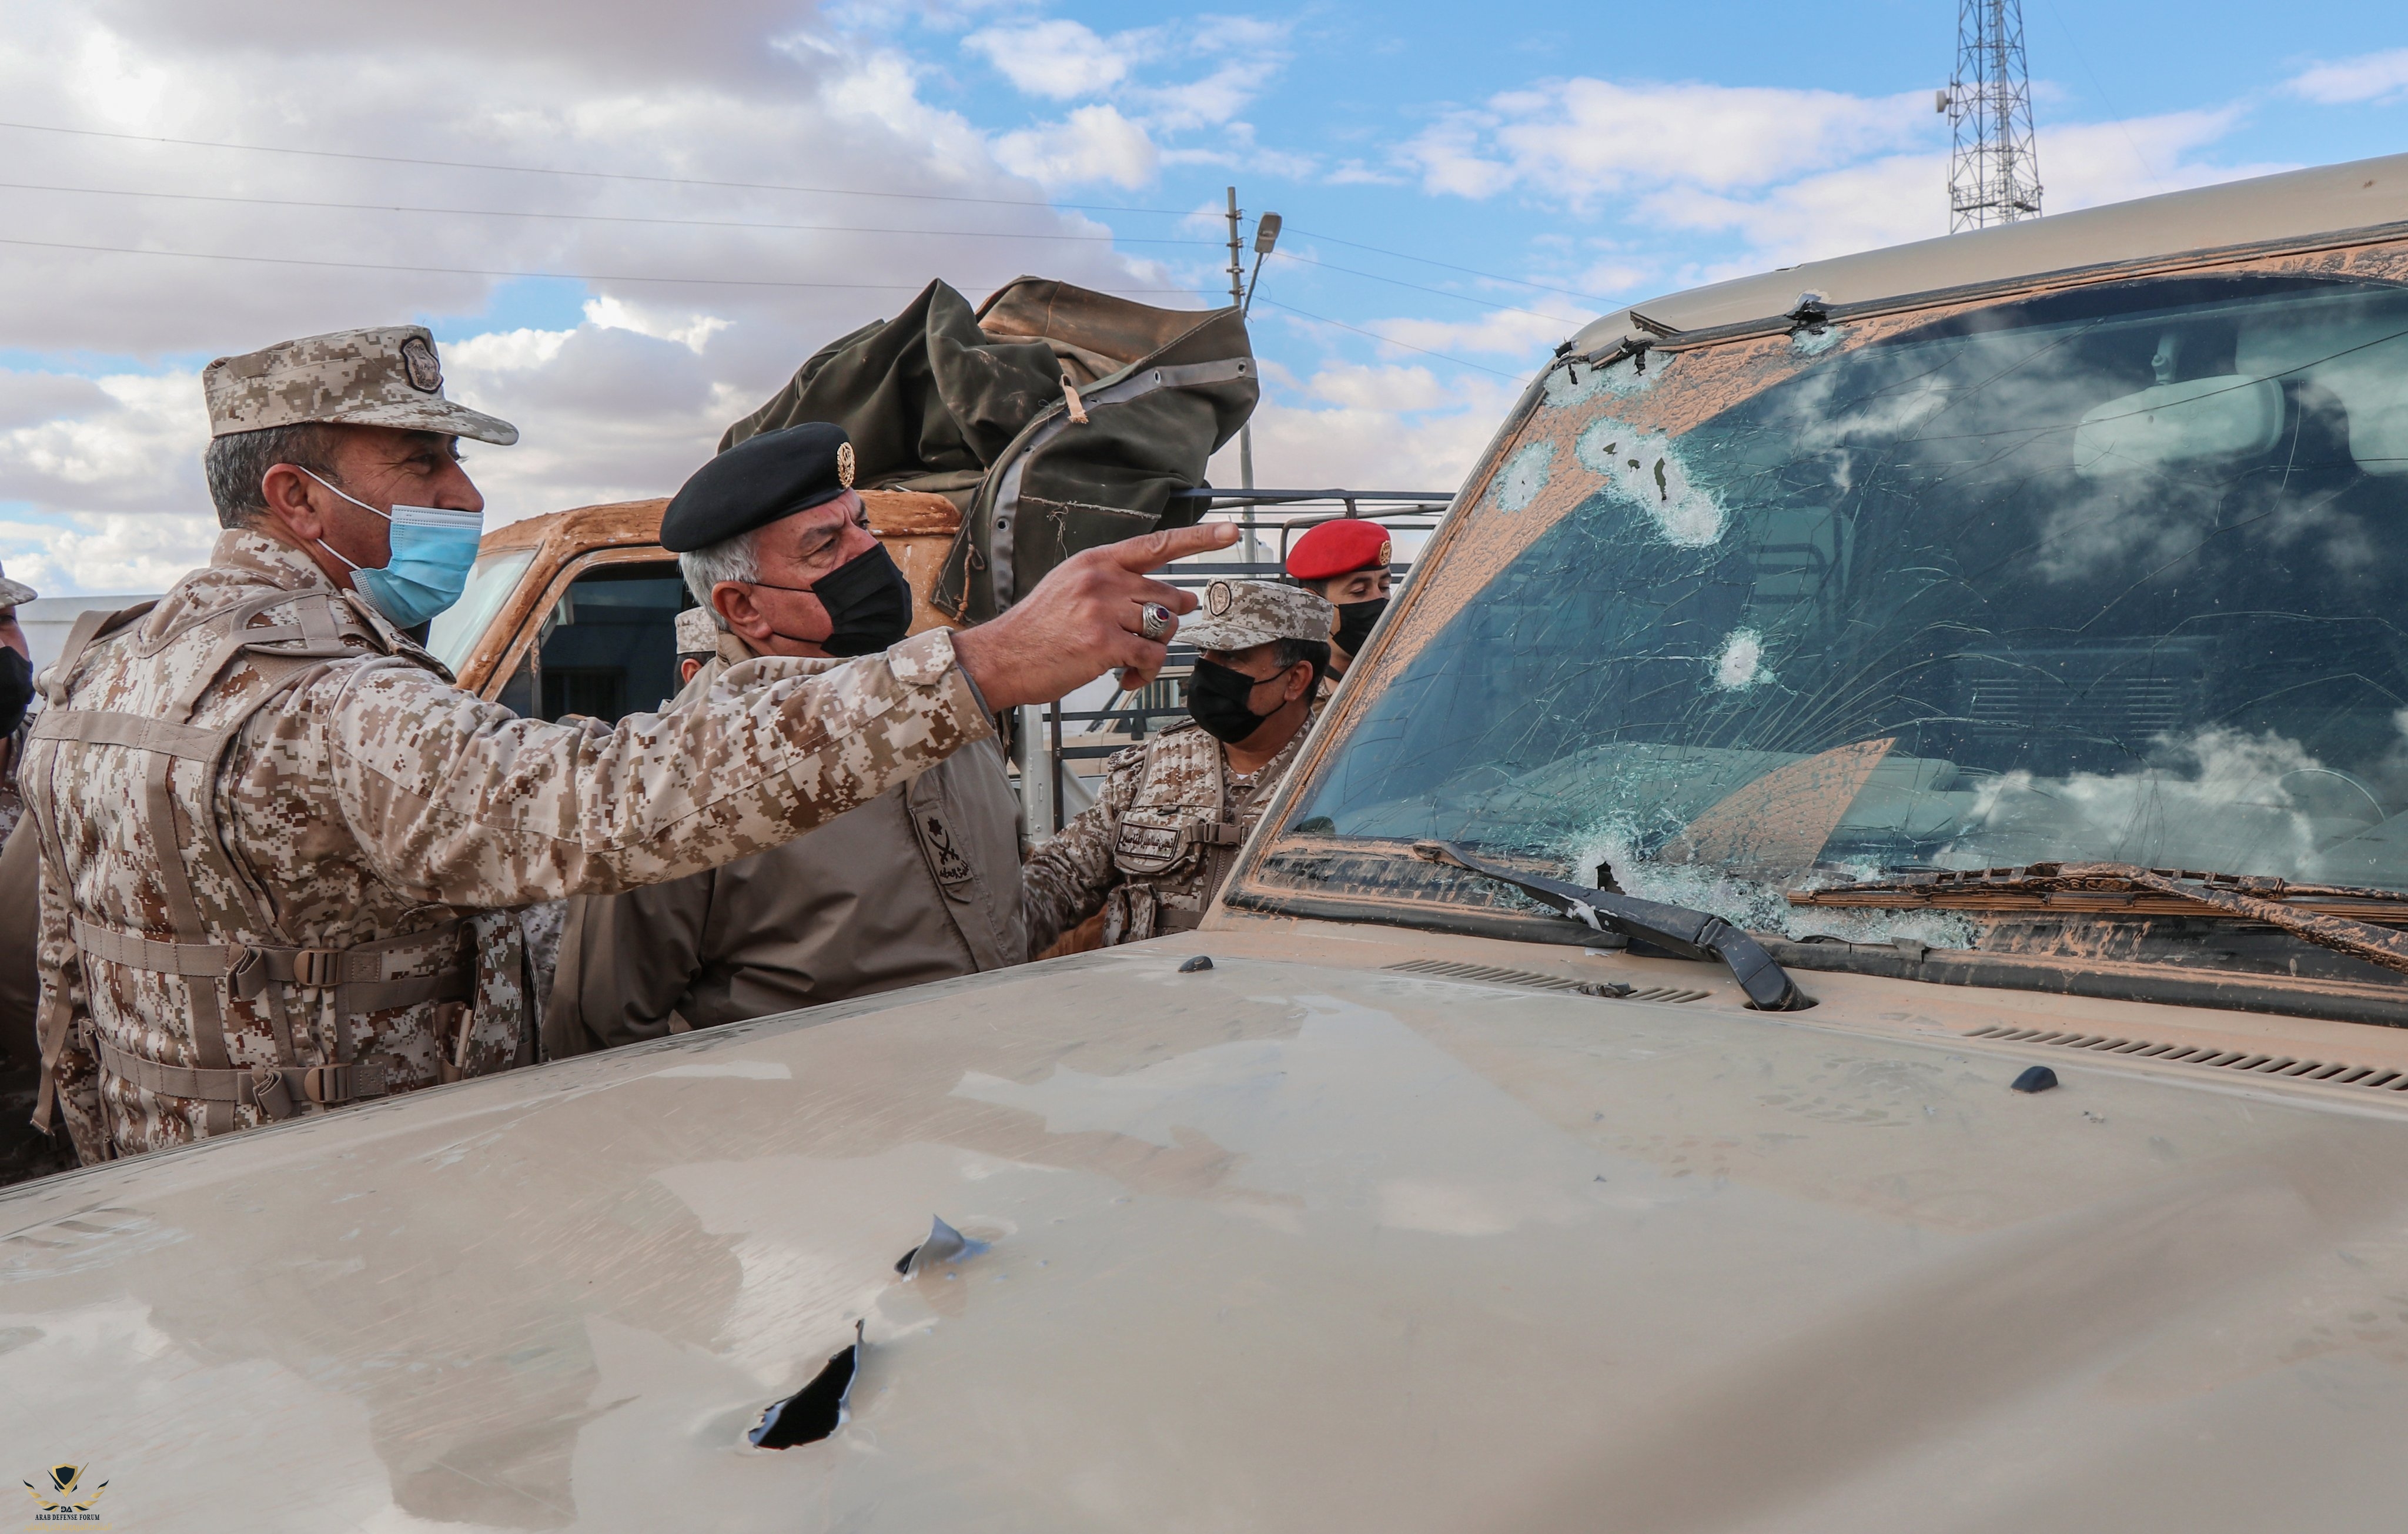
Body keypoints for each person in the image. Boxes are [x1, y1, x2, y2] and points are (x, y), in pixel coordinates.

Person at [22, 325, 1228, 1165]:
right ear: (295, 497)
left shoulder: (105, 665)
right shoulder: (330, 701)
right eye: (423, 462)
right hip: (364, 1212)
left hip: (193, 1203)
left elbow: (68, 1001)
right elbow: (604, 803)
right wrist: (985, 662)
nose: (464, 494)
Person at [543, 425, 1024, 1052]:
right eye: (825, 545)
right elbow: (605, 1033)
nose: (869, 550)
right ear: (744, 607)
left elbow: (996, 916)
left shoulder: (946, 702)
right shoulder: (677, 775)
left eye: (862, 523)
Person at [1022, 579, 1332, 950]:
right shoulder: (1148, 770)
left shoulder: (1343, 777)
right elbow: (1064, 873)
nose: (1206, 670)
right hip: (1145, 983)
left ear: (1295, 679)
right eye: (1205, 651)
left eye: (1232, 657)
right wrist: (996, 930)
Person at [1283, 517, 1392, 678]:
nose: (1379, 599)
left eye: (1384, 587)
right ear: (1313, 606)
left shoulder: (1415, 675)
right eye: (1359, 591)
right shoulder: (1291, 688)